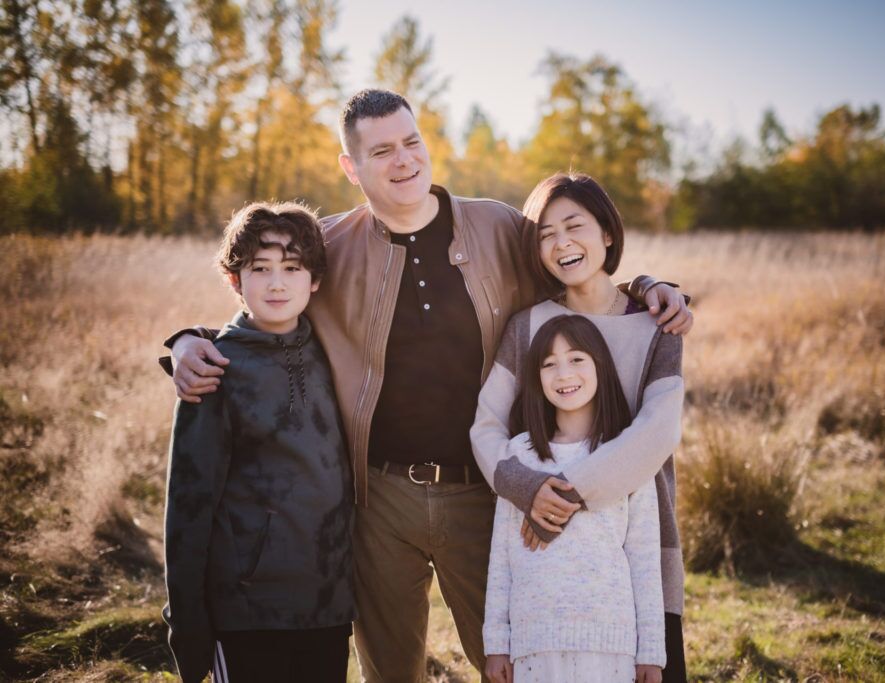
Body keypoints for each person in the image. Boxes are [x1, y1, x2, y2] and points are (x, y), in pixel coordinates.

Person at [166, 89, 693, 682]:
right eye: (382, 150)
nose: (403, 160)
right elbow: (266, 303)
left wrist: (651, 286)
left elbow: (575, 263)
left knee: (514, 663)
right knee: (391, 672)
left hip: (486, 491)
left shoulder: (496, 225)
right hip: (378, 500)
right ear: (351, 166)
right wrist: (189, 338)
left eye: (412, 142)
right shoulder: (331, 244)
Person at [471, 172, 688, 680]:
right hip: (542, 568)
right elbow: (486, 425)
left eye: (574, 226)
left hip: (635, 543)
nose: (562, 243)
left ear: (607, 233)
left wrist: (560, 498)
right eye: (545, 234)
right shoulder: (527, 326)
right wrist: (527, 487)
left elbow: (658, 431)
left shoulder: (657, 322)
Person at [163, 201, 355, 683]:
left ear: (314, 280)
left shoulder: (330, 350)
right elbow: (187, 508)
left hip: (327, 605)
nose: (276, 283)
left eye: (292, 269)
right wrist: (188, 624)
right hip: (247, 609)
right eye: (260, 268)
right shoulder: (214, 369)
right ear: (235, 280)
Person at [483, 314, 665, 683]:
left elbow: (644, 557)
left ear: (601, 365)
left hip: (610, 644)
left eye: (577, 359)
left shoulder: (627, 451)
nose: (564, 374)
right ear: (536, 379)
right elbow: (501, 557)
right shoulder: (520, 456)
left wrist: (651, 651)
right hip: (533, 642)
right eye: (549, 365)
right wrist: (496, 644)